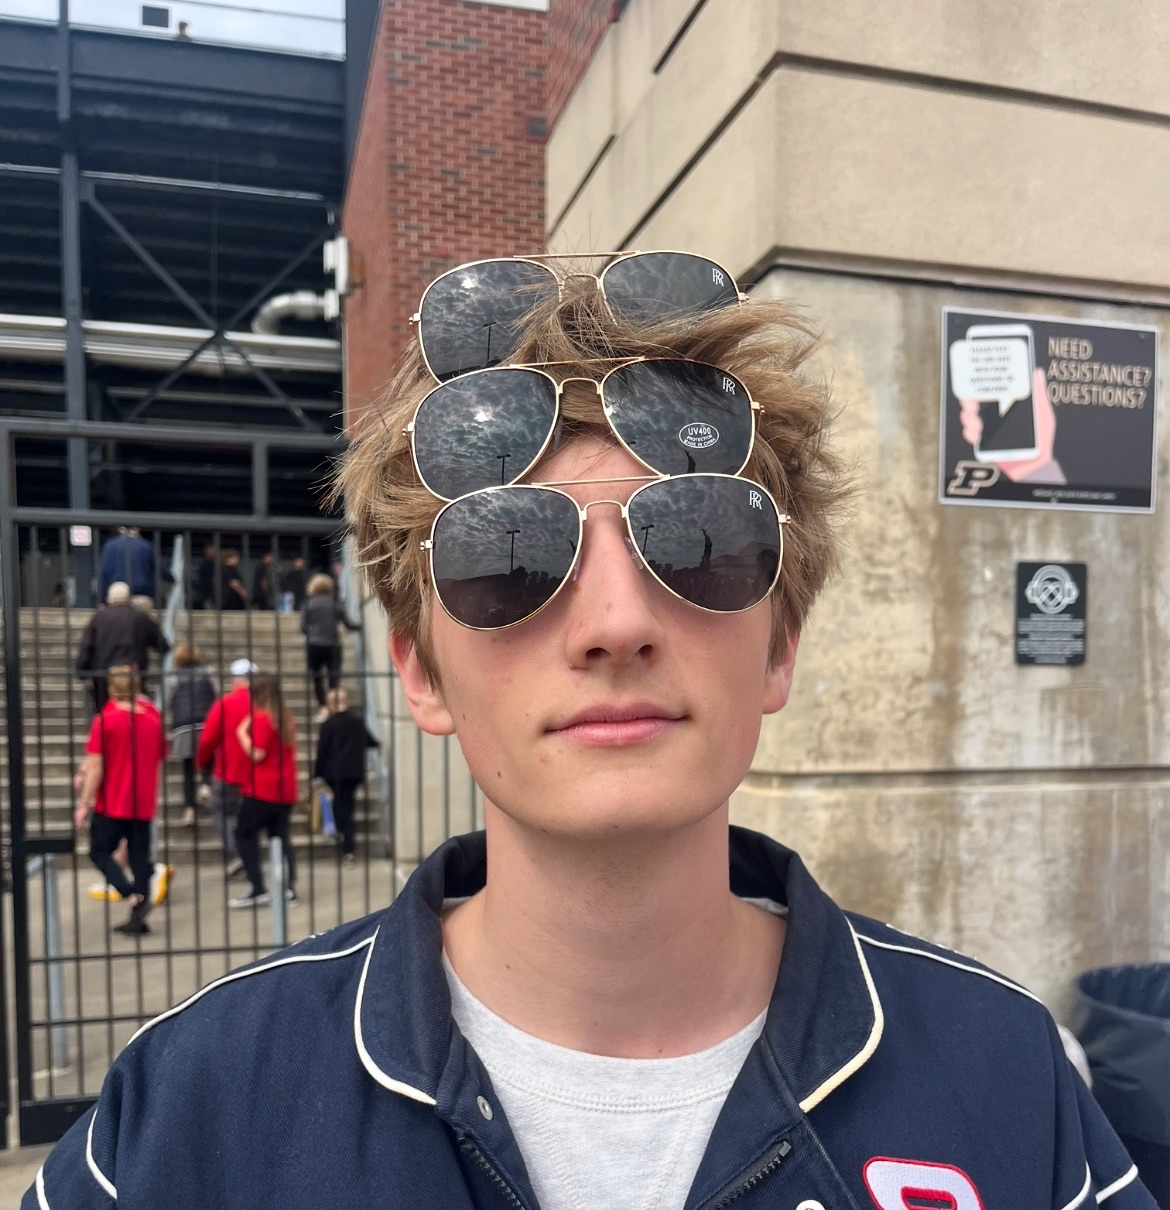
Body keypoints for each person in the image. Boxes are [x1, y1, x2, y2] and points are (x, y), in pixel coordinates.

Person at [27, 258, 1156, 1209]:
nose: (616, 624)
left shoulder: (1008, 1075)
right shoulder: (195, 1103)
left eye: (701, 541)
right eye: (507, 555)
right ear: (420, 667)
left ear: (779, 644)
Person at [74, 665, 166, 936]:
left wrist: (84, 803)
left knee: (99, 850)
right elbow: (159, 760)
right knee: (138, 856)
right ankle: (139, 912)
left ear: (111, 687)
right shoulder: (153, 717)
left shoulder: (107, 719)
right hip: (142, 799)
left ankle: (129, 893)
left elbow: (97, 766)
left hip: (114, 799)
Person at [230, 674, 298, 908]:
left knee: (243, 834)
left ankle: (257, 886)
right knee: (279, 836)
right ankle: (289, 888)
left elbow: (257, 753)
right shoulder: (285, 718)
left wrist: (241, 734)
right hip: (284, 789)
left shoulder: (262, 719)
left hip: (261, 789)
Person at [195, 658, 256, 873]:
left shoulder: (224, 703)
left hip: (228, 771)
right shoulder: (264, 704)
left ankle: (237, 853)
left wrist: (202, 764)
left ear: (235, 680)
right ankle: (251, 856)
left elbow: (208, 739)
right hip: (258, 772)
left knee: (221, 812)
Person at [74, 581, 169, 714]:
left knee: (106, 715)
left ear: (109, 599)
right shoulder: (140, 617)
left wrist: (82, 671)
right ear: (129, 599)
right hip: (134, 674)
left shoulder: (98, 618)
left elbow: (87, 647)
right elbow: (163, 645)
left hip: (105, 677)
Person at [312, 688, 378, 864]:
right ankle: (346, 843)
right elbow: (370, 741)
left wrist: (316, 775)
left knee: (342, 808)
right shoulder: (357, 721)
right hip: (354, 773)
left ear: (331, 704)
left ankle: (345, 846)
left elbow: (322, 752)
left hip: (334, 774)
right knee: (347, 807)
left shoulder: (328, 725)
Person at [168, 642, 217, 827]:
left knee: (187, 767)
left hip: (183, 725)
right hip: (205, 721)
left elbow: (169, 700)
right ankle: (205, 784)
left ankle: (189, 809)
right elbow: (216, 694)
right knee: (208, 759)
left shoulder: (174, 677)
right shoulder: (208, 672)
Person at [302, 572, 347, 722]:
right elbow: (346, 622)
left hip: (314, 645)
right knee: (333, 677)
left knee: (316, 678)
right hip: (332, 644)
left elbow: (303, 627)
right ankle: (334, 706)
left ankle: (322, 707)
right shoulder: (334, 603)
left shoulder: (308, 604)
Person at [98, 526, 155, 607]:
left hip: (117, 593)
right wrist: (172, 579)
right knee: (141, 618)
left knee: (118, 618)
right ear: (137, 530)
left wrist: (101, 598)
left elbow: (104, 572)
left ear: (120, 530)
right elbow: (158, 567)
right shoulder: (146, 545)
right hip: (141, 593)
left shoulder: (110, 545)